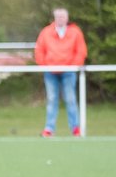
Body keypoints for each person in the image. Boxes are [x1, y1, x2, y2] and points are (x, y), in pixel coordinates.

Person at [34, 8, 87, 137]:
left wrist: (73, 66)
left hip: (68, 72)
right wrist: (45, 65)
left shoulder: (75, 32)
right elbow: (39, 50)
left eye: (63, 17)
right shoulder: (46, 32)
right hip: (50, 72)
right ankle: (49, 129)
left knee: (70, 99)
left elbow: (81, 51)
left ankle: (75, 128)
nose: (61, 19)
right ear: (54, 18)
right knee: (52, 99)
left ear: (67, 18)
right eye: (58, 17)